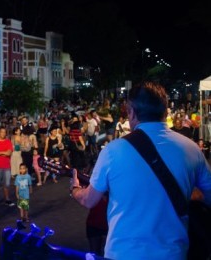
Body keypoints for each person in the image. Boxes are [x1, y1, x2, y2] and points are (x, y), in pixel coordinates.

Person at [70, 81, 211, 259]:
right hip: (173, 253)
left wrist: (75, 189)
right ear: (165, 111)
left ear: (131, 112)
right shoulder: (191, 149)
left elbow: (89, 200)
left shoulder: (113, 150)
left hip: (124, 253)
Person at [0, 126, 15, 207]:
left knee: (7, 184)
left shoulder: (8, 142)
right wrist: (4, 152)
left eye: (5, 132)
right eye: (2, 132)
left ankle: (7, 199)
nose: (3, 134)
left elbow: (9, 153)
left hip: (6, 166)